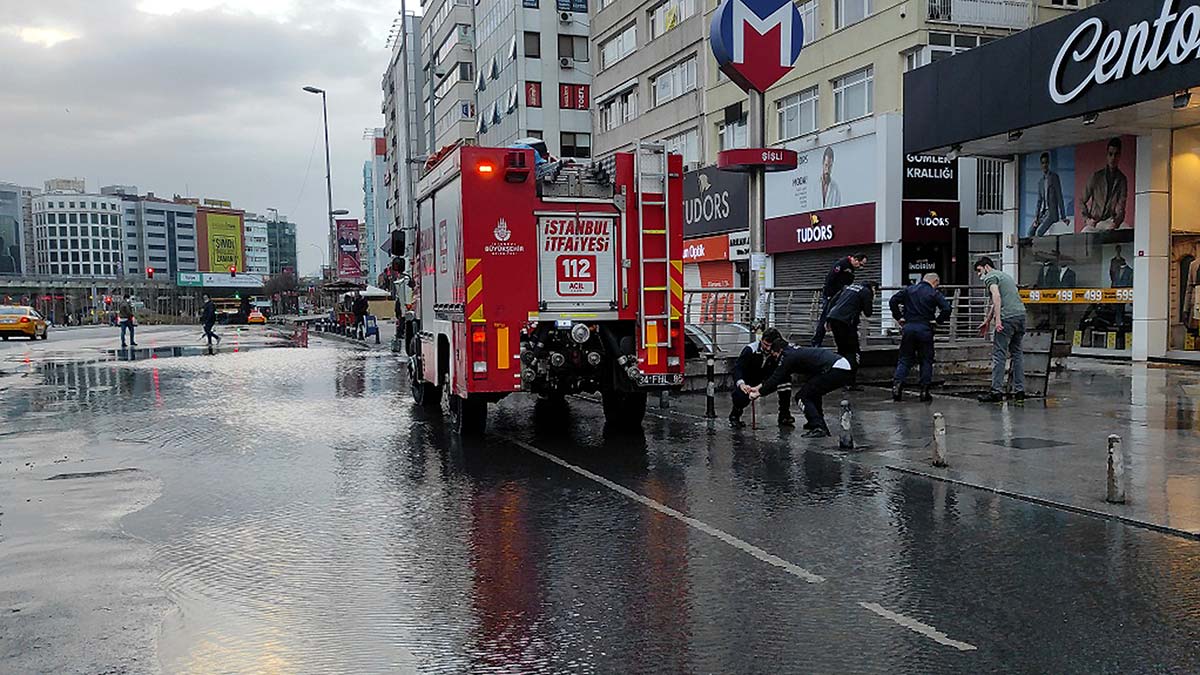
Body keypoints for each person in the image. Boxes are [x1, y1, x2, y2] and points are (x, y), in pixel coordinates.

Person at [750, 339, 854, 438]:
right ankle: (816, 422)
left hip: (835, 368)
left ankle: (818, 426)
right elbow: (775, 377)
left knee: (802, 397)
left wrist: (758, 393)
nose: (775, 359)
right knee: (812, 393)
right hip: (841, 366)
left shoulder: (787, 356)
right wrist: (759, 387)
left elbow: (777, 377)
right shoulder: (792, 351)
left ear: (779, 351)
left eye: (774, 355)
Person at [889, 273, 952, 402]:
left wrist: (899, 317)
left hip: (909, 327)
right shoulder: (933, 293)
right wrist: (938, 321)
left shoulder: (909, 290)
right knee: (926, 360)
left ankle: (897, 386)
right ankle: (924, 391)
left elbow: (893, 301)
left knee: (905, 359)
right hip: (925, 328)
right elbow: (947, 308)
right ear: (935, 281)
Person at [975, 257, 1026, 402]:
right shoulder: (1005, 276)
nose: (979, 275)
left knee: (999, 355)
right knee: (1017, 354)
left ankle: (996, 392)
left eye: (979, 271)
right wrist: (987, 320)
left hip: (1007, 318)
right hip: (1021, 316)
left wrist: (998, 321)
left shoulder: (990, 277)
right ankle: (1019, 390)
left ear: (986, 267)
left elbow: (996, 297)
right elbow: (996, 302)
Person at [729, 327, 792, 429]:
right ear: (761, 340)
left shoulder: (778, 352)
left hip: (767, 381)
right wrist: (741, 384)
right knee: (740, 396)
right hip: (749, 381)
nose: (767, 349)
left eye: (770, 346)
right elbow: (738, 368)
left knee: (785, 380)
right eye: (765, 345)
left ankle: (784, 414)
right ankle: (735, 415)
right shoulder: (750, 350)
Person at [825, 281, 875, 388]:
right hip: (846, 322)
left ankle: (838, 378)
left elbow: (832, 301)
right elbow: (868, 312)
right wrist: (871, 299)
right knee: (853, 351)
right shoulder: (866, 291)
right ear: (873, 287)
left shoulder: (848, 287)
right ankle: (850, 382)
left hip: (834, 319)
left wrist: (828, 319)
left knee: (841, 350)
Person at [811, 253, 868, 347]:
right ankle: (816, 343)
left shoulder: (851, 268)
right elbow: (830, 278)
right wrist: (829, 294)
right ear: (856, 259)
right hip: (832, 295)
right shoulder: (842, 264)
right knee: (826, 318)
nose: (861, 267)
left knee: (838, 319)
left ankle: (839, 343)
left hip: (840, 296)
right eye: (861, 264)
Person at [1079, 137, 1128, 231]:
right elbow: (1082, 200)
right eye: (1110, 154)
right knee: (1085, 232)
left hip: (1109, 221)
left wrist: (1116, 222)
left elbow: (1122, 205)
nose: (1113, 158)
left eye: (1116, 154)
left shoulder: (1122, 179)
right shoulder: (1096, 177)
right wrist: (1087, 219)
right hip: (1095, 221)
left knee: (1126, 230)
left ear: (1119, 156)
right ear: (1107, 155)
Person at [1033, 152, 1066, 237]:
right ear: (1041, 165)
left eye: (1046, 162)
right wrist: (1036, 218)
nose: (1044, 165)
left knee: (1039, 232)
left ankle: (1038, 249)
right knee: (1030, 232)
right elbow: (1039, 202)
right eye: (1043, 163)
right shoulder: (1040, 182)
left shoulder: (1054, 177)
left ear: (1049, 163)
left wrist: (1063, 216)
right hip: (1043, 213)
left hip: (1052, 213)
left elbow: (1059, 196)